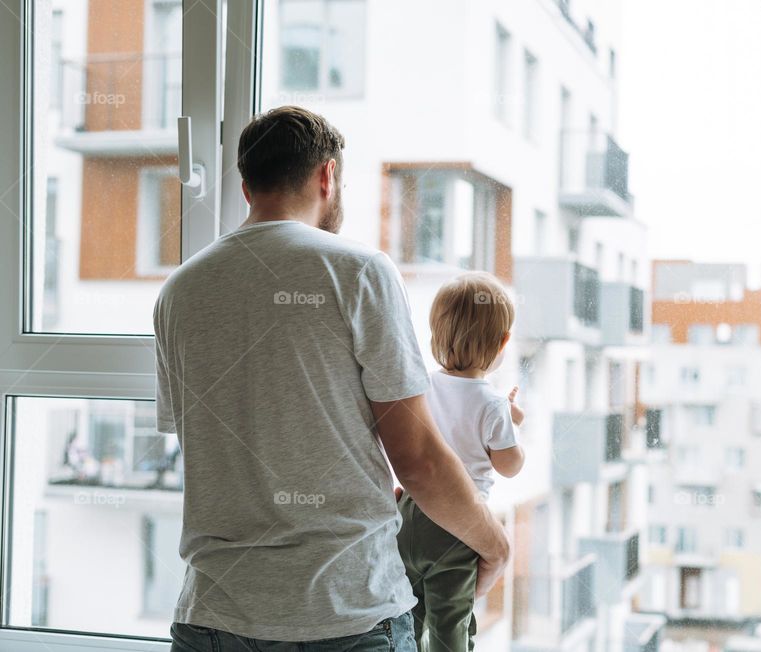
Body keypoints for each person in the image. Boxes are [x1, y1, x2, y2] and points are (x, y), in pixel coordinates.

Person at [154, 106, 510, 652]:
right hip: (344, 617)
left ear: (247, 187)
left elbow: (216, 442)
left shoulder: (180, 290)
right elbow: (417, 460)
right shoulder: (359, 271)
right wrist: (494, 543)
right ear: (327, 175)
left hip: (211, 616)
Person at [396, 273, 526, 651]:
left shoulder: (419, 385)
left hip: (410, 513)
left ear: (436, 333)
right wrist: (513, 426)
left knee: (407, 613)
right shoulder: (493, 405)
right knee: (450, 622)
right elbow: (509, 465)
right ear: (503, 343)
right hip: (456, 527)